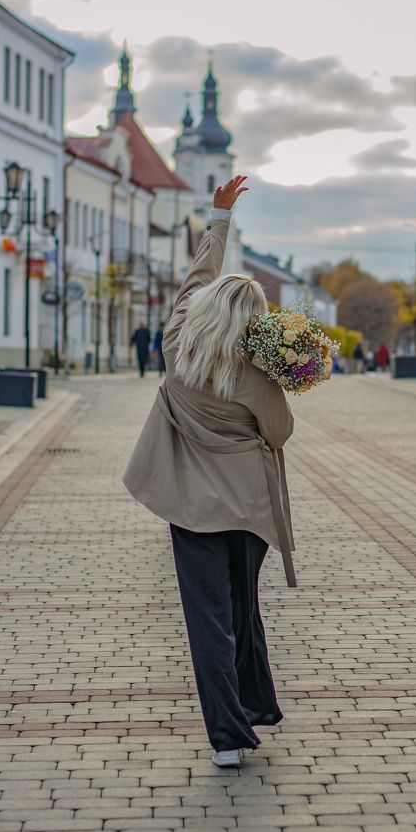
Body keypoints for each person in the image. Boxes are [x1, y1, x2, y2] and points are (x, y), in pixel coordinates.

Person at [123, 175, 294, 771]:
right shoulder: (256, 375)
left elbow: (195, 282)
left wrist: (218, 219)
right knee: (243, 609)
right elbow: (280, 432)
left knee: (210, 621)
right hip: (246, 508)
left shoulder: (176, 347)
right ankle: (248, 710)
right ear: (255, 321)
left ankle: (229, 732)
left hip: (191, 507)